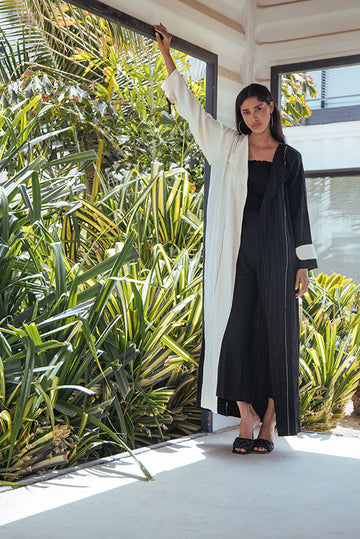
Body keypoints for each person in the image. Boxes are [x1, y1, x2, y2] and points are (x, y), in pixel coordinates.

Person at [154, 23, 318, 454]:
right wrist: (169, 55)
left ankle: (268, 424)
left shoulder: (290, 159)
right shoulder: (228, 146)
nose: (252, 117)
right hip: (239, 256)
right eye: (245, 112)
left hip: (280, 257)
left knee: (274, 336)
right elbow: (190, 109)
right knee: (235, 331)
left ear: (271, 108)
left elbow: (300, 212)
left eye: (258, 109)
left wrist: (303, 265)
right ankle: (244, 417)